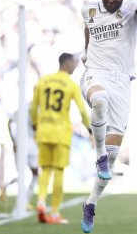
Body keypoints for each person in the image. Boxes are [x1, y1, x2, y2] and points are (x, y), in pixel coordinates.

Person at [79, 0, 137, 233]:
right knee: (99, 99)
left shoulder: (130, 8)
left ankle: (91, 203)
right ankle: (99, 156)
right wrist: (85, 52)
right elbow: (88, 31)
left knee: (111, 161)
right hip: (95, 73)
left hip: (122, 81)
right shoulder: (89, 8)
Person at [30, 52, 91, 224]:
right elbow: (81, 109)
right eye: (73, 63)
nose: (75, 66)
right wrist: (90, 130)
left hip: (43, 131)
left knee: (45, 169)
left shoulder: (43, 81)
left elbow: (34, 108)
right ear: (66, 63)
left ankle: (41, 201)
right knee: (58, 171)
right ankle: (55, 212)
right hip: (61, 132)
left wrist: (36, 125)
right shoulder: (70, 84)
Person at [0, 111, 39, 210]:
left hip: (33, 146)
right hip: (21, 145)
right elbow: (10, 122)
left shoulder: (42, 107)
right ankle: (23, 201)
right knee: (22, 175)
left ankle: (25, 200)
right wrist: (14, 141)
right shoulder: (24, 108)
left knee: (36, 174)